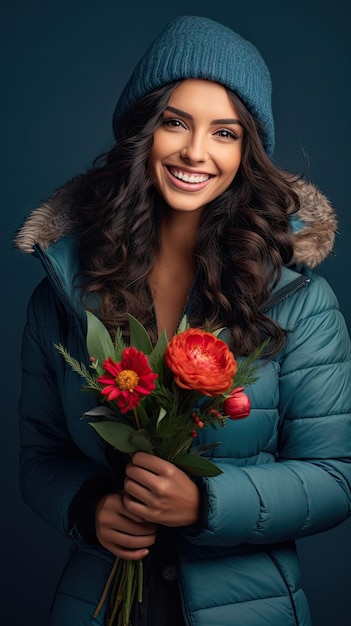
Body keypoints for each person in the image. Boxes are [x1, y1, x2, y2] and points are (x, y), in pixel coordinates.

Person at [14, 14, 351, 626]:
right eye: (176, 123)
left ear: (247, 149)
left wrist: (206, 502)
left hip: (252, 608)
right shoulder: (63, 294)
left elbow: (337, 475)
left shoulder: (299, 300)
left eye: (225, 132)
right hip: (98, 605)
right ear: (142, 132)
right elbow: (38, 456)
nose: (196, 151)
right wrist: (89, 507)